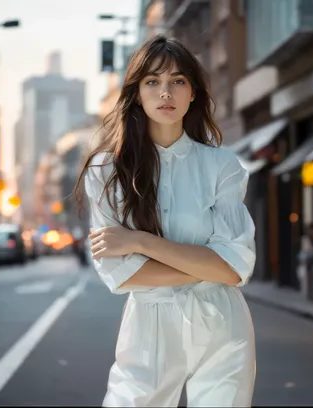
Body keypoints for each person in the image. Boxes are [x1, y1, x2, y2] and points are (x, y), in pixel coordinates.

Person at [75, 35, 257, 407]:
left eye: (178, 81)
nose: (165, 92)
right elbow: (121, 274)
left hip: (222, 323)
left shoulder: (222, 166)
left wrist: (140, 242)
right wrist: (210, 265)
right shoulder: (106, 171)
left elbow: (236, 268)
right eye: (152, 82)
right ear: (137, 93)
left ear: (193, 93)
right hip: (148, 325)